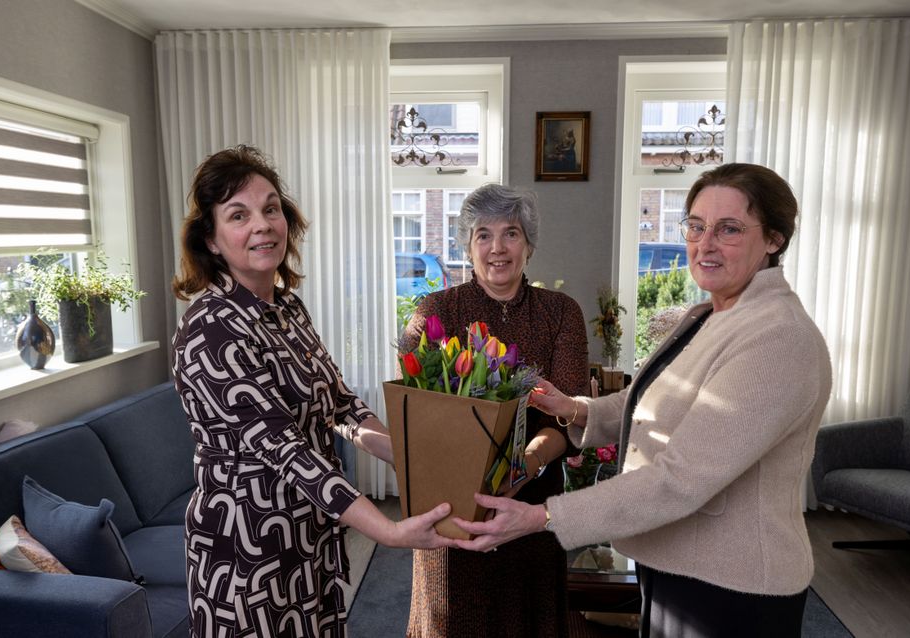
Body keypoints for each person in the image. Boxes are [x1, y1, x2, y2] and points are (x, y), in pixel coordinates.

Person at [452, 163, 833, 638]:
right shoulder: (708, 315)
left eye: (729, 228)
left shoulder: (777, 338)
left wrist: (544, 516)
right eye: (695, 225)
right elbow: (645, 401)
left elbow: (681, 480)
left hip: (733, 585)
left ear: (774, 238)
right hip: (680, 562)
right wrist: (573, 408)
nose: (705, 243)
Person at [171, 145, 455, 638]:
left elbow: (341, 407)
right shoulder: (209, 330)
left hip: (311, 536)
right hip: (247, 552)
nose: (262, 224)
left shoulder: (288, 310)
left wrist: (410, 459)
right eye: (238, 215)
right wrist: (387, 531)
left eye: (271, 208)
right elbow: (286, 449)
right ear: (212, 241)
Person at [400, 183, 589, 637]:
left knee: (529, 622)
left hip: (531, 507)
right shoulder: (434, 311)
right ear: (467, 244)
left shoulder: (562, 313)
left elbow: (563, 417)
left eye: (511, 233)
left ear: (529, 244)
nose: (497, 248)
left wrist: (524, 466)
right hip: (453, 511)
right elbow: (420, 416)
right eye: (483, 234)